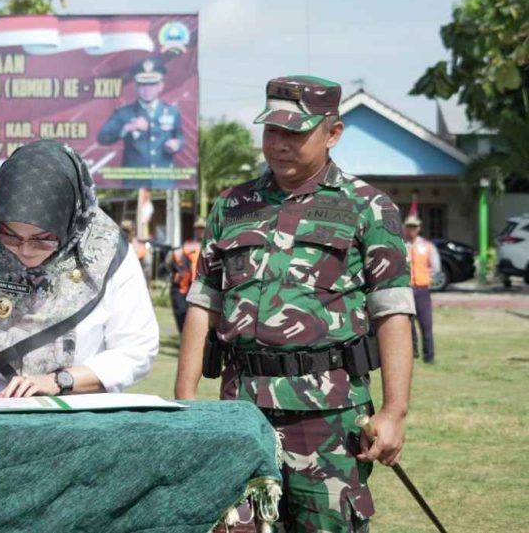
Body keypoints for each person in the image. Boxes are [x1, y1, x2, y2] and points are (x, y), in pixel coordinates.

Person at [174, 76, 415, 531]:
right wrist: (186, 400)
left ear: (333, 134)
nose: (280, 145)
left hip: (328, 417)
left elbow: (393, 313)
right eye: (272, 131)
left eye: (296, 133)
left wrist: (392, 412)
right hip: (240, 411)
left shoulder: (368, 208)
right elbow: (203, 301)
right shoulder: (232, 205)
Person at [0, 140, 159, 398]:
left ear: (68, 220)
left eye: (41, 239)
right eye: (11, 236)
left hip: (79, 413)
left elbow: (136, 349)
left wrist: (60, 381)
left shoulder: (108, 253)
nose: (25, 250)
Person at [96, 57, 184, 188]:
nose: (147, 89)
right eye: (143, 84)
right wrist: (128, 127)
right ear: (136, 87)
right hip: (135, 183)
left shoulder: (172, 111)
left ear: (160, 86)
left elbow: (179, 137)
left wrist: (177, 144)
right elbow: (102, 137)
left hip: (163, 181)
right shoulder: (124, 112)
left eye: (152, 84)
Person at [403, 215, 440, 365]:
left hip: (423, 290)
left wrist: (427, 278)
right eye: (409, 227)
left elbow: (436, 267)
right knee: (407, 326)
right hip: (406, 290)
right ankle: (412, 354)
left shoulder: (427, 246)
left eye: (414, 227)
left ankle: (429, 357)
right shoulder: (401, 245)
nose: (411, 230)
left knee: (426, 325)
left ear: (418, 228)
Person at [169, 217, 206, 333]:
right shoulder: (187, 246)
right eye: (198, 229)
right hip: (187, 287)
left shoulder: (212, 245)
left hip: (204, 287)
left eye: (202, 228)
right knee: (182, 314)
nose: (200, 231)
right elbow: (175, 264)